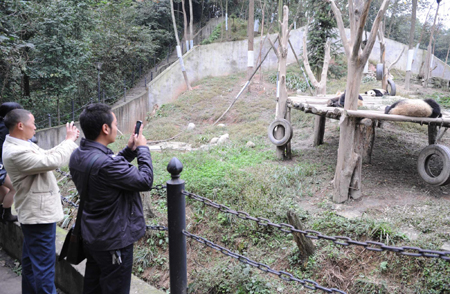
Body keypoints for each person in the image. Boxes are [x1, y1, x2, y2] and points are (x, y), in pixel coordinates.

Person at [69, 103, 153, 294]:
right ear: (105, 128)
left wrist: (129, 150)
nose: (118, 128)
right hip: (113, 242)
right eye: (115, 124)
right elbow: (145, 180)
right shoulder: (106, 165)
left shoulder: (78, 155)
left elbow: (105, 168)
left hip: (92, 236)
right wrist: (142, 149)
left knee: (94, 288)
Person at [3, 109, 80, 294]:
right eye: (33, 123)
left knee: (31, 264)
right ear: (21, 125)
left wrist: (66, 142)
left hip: (34, 215)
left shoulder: (22, 144)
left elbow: (46, 154)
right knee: (44, 270)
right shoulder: (15, 152)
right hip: (39, 217)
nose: (36, 127)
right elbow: (50, 160)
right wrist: (69, 141)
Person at [0, 102, 23, 222]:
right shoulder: (6, 127)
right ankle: (6, 215)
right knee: (15, 187)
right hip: (0, 165)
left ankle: (2, 212)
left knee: (4, 190)